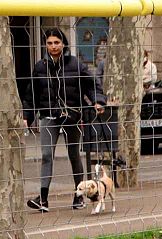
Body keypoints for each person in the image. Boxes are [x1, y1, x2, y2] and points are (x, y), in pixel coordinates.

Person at [22, 28, 105, 212]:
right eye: (50, 43)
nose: (53, 47)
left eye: (57, 43)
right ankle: (42, 199)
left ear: (64, 44)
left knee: (74, 154)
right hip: (48, 116)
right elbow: (31, 95)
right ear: (45, 45)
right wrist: (27, 116)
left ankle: (79, 196)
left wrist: (98, 101)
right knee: (46, 156)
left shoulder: (76, 64)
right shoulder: (40, 67)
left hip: (72, 116)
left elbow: (92, 85)